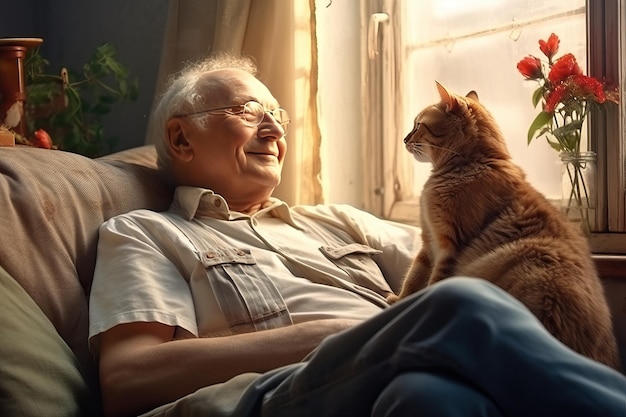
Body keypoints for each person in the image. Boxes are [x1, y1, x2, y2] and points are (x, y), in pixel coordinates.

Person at [88, 54, 626, 417]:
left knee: (428, 397)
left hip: (388, 378)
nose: (275, 129)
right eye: (250, 113)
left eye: (279, 115)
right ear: (181, 138)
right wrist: (332, 336)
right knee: (461, 302)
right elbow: (128, 379)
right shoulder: (145, 232)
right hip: (268, 397)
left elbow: (476, 251)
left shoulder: (339, 221)